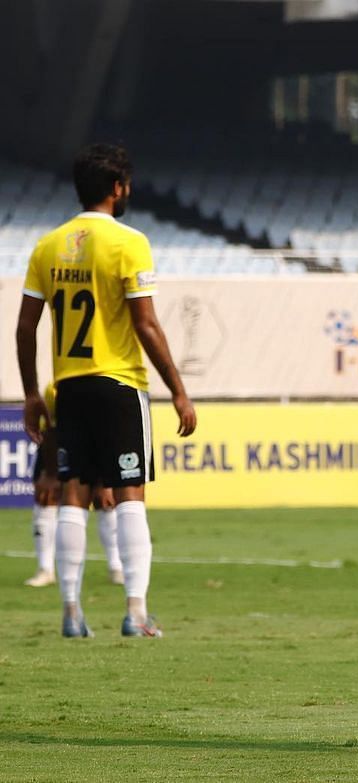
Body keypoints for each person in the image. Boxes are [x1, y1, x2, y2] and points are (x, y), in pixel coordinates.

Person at [15, 142, 197, 638]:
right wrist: (179, 391)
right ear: (118, 189)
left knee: (72, 494)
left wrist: (32, 394)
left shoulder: (47, 245)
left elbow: (25, 327)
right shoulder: (129, 242)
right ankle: (136, 612)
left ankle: (72, 612)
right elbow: (147, 324)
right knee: (129, 495)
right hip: (119, 385)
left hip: (68, 387)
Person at [25, 383, 125, 588]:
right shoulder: (53, 390)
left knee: (104, 499)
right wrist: (51, 473)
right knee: (47, 497)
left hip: (97, 445)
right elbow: (50, 430)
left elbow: (110, 431)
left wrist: (102, 480)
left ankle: (116, 567)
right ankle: (45, 569)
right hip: (59, 444)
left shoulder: (105, 388)